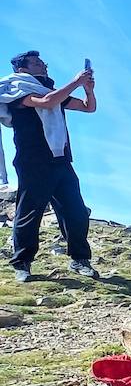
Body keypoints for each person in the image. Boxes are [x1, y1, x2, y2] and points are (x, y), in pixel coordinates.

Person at [0, 51, 97, 282]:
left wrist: (88, 89)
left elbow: (88, 107)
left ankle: (80, 260)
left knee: (75, 211)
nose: (43, 65)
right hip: (33, 160)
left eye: (43, 62)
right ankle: (22, 264)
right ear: (22, 69)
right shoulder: (16, 89)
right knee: (29, 213)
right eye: (36, 62)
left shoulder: (50, 91)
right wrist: (76, 81)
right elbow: (46, 103)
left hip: (61, 159)